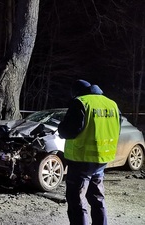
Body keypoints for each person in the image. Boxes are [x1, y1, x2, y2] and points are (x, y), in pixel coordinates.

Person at [58, 79, 121, 225]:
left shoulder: (81, 102)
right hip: (102, 159)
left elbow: (70, 131)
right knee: (97, 198)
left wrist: (61, 127)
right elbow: (117, 127)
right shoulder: (111, 103)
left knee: (76, 201)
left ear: (76, 92)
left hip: (81, 159)